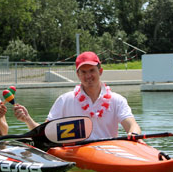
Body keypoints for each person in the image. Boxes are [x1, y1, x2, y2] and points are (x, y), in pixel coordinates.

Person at [13, 51, 142, 141]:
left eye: (92, 70)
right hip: (77, 153)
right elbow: (45, 133)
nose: (88, 76)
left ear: (100, 71)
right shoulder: (65, 100)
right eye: (83, 72)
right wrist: (28, 119)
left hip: (109, 151)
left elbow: (132, 125)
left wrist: (134, 134)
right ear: (78, 75)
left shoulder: (117, 100)